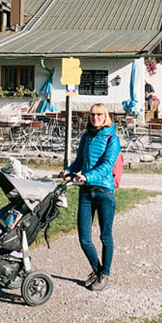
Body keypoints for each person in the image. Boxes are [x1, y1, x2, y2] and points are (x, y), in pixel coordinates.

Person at [59, 103, 121, 291]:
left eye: (99, 114)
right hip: (85, 191)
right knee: (84, 238)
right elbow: (80, 160)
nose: (96, 118)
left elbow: (107, 165)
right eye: (92, 115)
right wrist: (69, 171)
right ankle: (98, 271)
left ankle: (105, 273)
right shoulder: (86, 137)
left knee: (105, 236)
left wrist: (87, 176)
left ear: (106, 116)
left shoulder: (112, 138)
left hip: (104, 192)